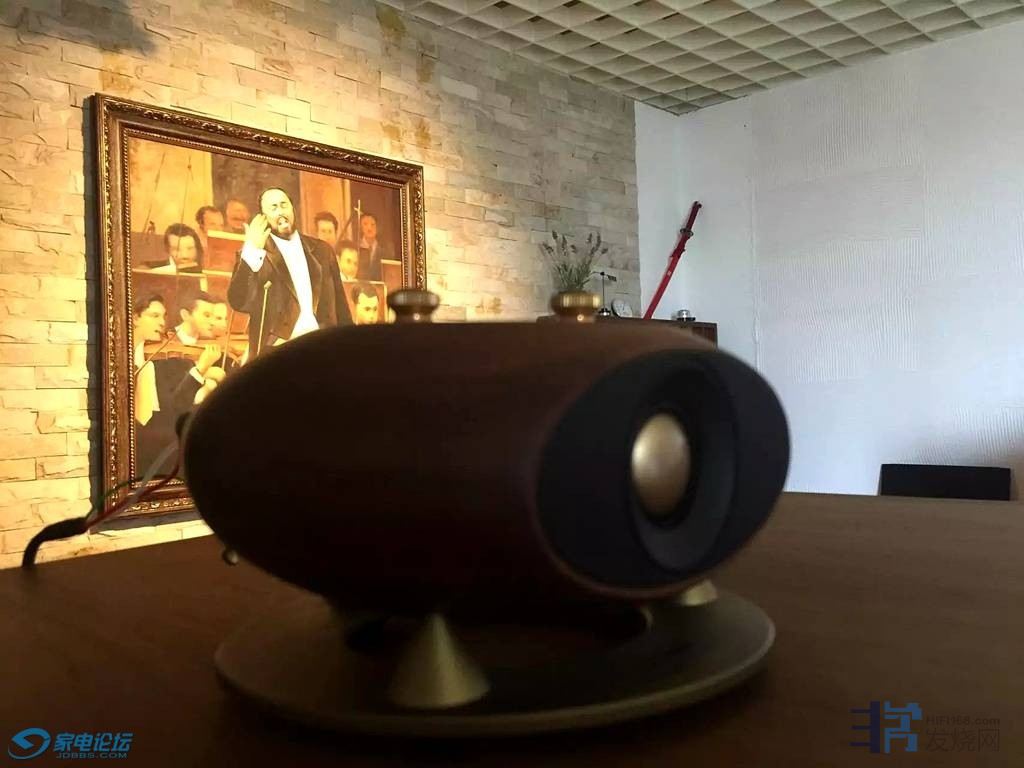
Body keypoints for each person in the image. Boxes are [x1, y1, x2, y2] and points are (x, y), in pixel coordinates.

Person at [228, 187, 350, 357]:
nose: (280, 212)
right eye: (273, 208)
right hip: (278, 354)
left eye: (284, 205)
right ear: (263, 218)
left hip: (322, 348)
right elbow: (238, 302)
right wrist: (253, 251)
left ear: (293, 209)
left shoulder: (323, 251)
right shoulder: (254, 253)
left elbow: (341, 306)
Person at [133, 295, 223, 471]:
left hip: (163, 452)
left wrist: (203, 371)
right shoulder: (119, 358)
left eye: (164, 316)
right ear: (136, 318)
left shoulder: (165, 360)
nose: (162, 323)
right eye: (155, 316)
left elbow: (176, 406)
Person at [357, 212, 394, 281]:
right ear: (360, 228)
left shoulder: (385, 250)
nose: (369, 228)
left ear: (377, 227)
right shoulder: (356, 248)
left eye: (372, 224)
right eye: (365, 224)